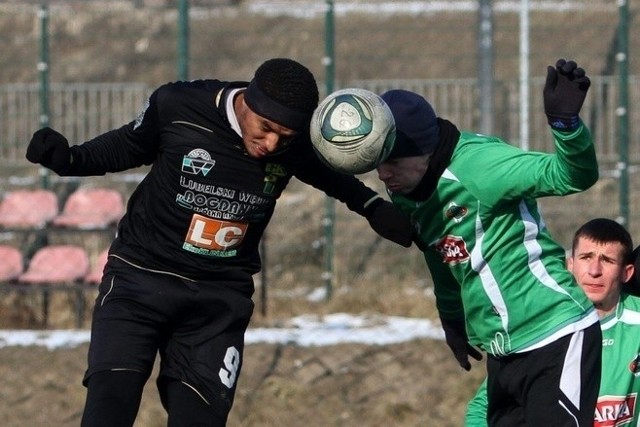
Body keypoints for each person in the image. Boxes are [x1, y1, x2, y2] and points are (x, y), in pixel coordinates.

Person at [25, 58, 415, 426]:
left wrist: (371, 206)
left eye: (285, 137)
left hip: (218, 301)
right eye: (264, 127)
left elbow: (327, 174)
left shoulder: (294, 145)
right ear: (247, 100)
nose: (271, 144)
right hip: (140, 280)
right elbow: (127, 145)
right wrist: (71, 159)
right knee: (110, 406)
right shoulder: (179, 105)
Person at [375, 59, 601, 426]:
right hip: (504, 350)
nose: (384, 173)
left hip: (555, 333)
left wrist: (566, 126)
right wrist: (452, 317)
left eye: (395, 161)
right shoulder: (408, 186)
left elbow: (574, 176)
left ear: (427, 150)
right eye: (379, 162)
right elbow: (443, 253)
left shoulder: (482, 167)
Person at [465, 218, 640, 427]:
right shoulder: (544, 325)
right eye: (586, 257)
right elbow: (483, 408)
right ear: (570, 265)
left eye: (607, 261)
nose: (594, 271)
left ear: (626, 272)